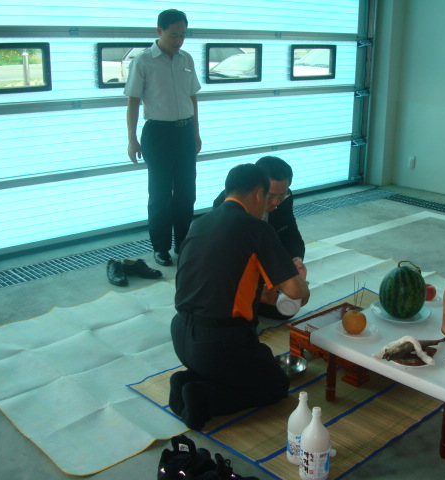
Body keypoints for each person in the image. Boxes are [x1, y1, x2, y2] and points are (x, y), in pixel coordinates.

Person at [170, 164, 310, 430]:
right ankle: (204, 398)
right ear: (258, 194)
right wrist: (303, 283)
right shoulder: (256, 228)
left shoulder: (199, 224)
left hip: (181, 336)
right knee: (275, 385)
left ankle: (186, 380)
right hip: (219, 344)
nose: (271, 205)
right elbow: (294, 291)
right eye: (269, 197)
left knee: (250, 363)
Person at [124, 9, 201, 267]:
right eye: (174, 35)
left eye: (183, 35)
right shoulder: (143, 61)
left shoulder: (186, 59)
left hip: (184, 132)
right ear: (159, 31)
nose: (179, 40)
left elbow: (192, 98)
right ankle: (161, 248)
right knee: (160, 195)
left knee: (186, 192)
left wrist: (196, 132)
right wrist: (132, 139)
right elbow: (133, 102)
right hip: (157, 134)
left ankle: (183, 244)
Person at [213, 156, 307, 319]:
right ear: (256, 189)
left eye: (282, 195)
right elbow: (225, 262)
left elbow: (290, 232)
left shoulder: (284, 198)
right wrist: (260, 287)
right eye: (270, 196)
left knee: (284, 309)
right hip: (235, 275)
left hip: (263, 265)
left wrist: (296, 260)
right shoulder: (227, 205)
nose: (276, 202)